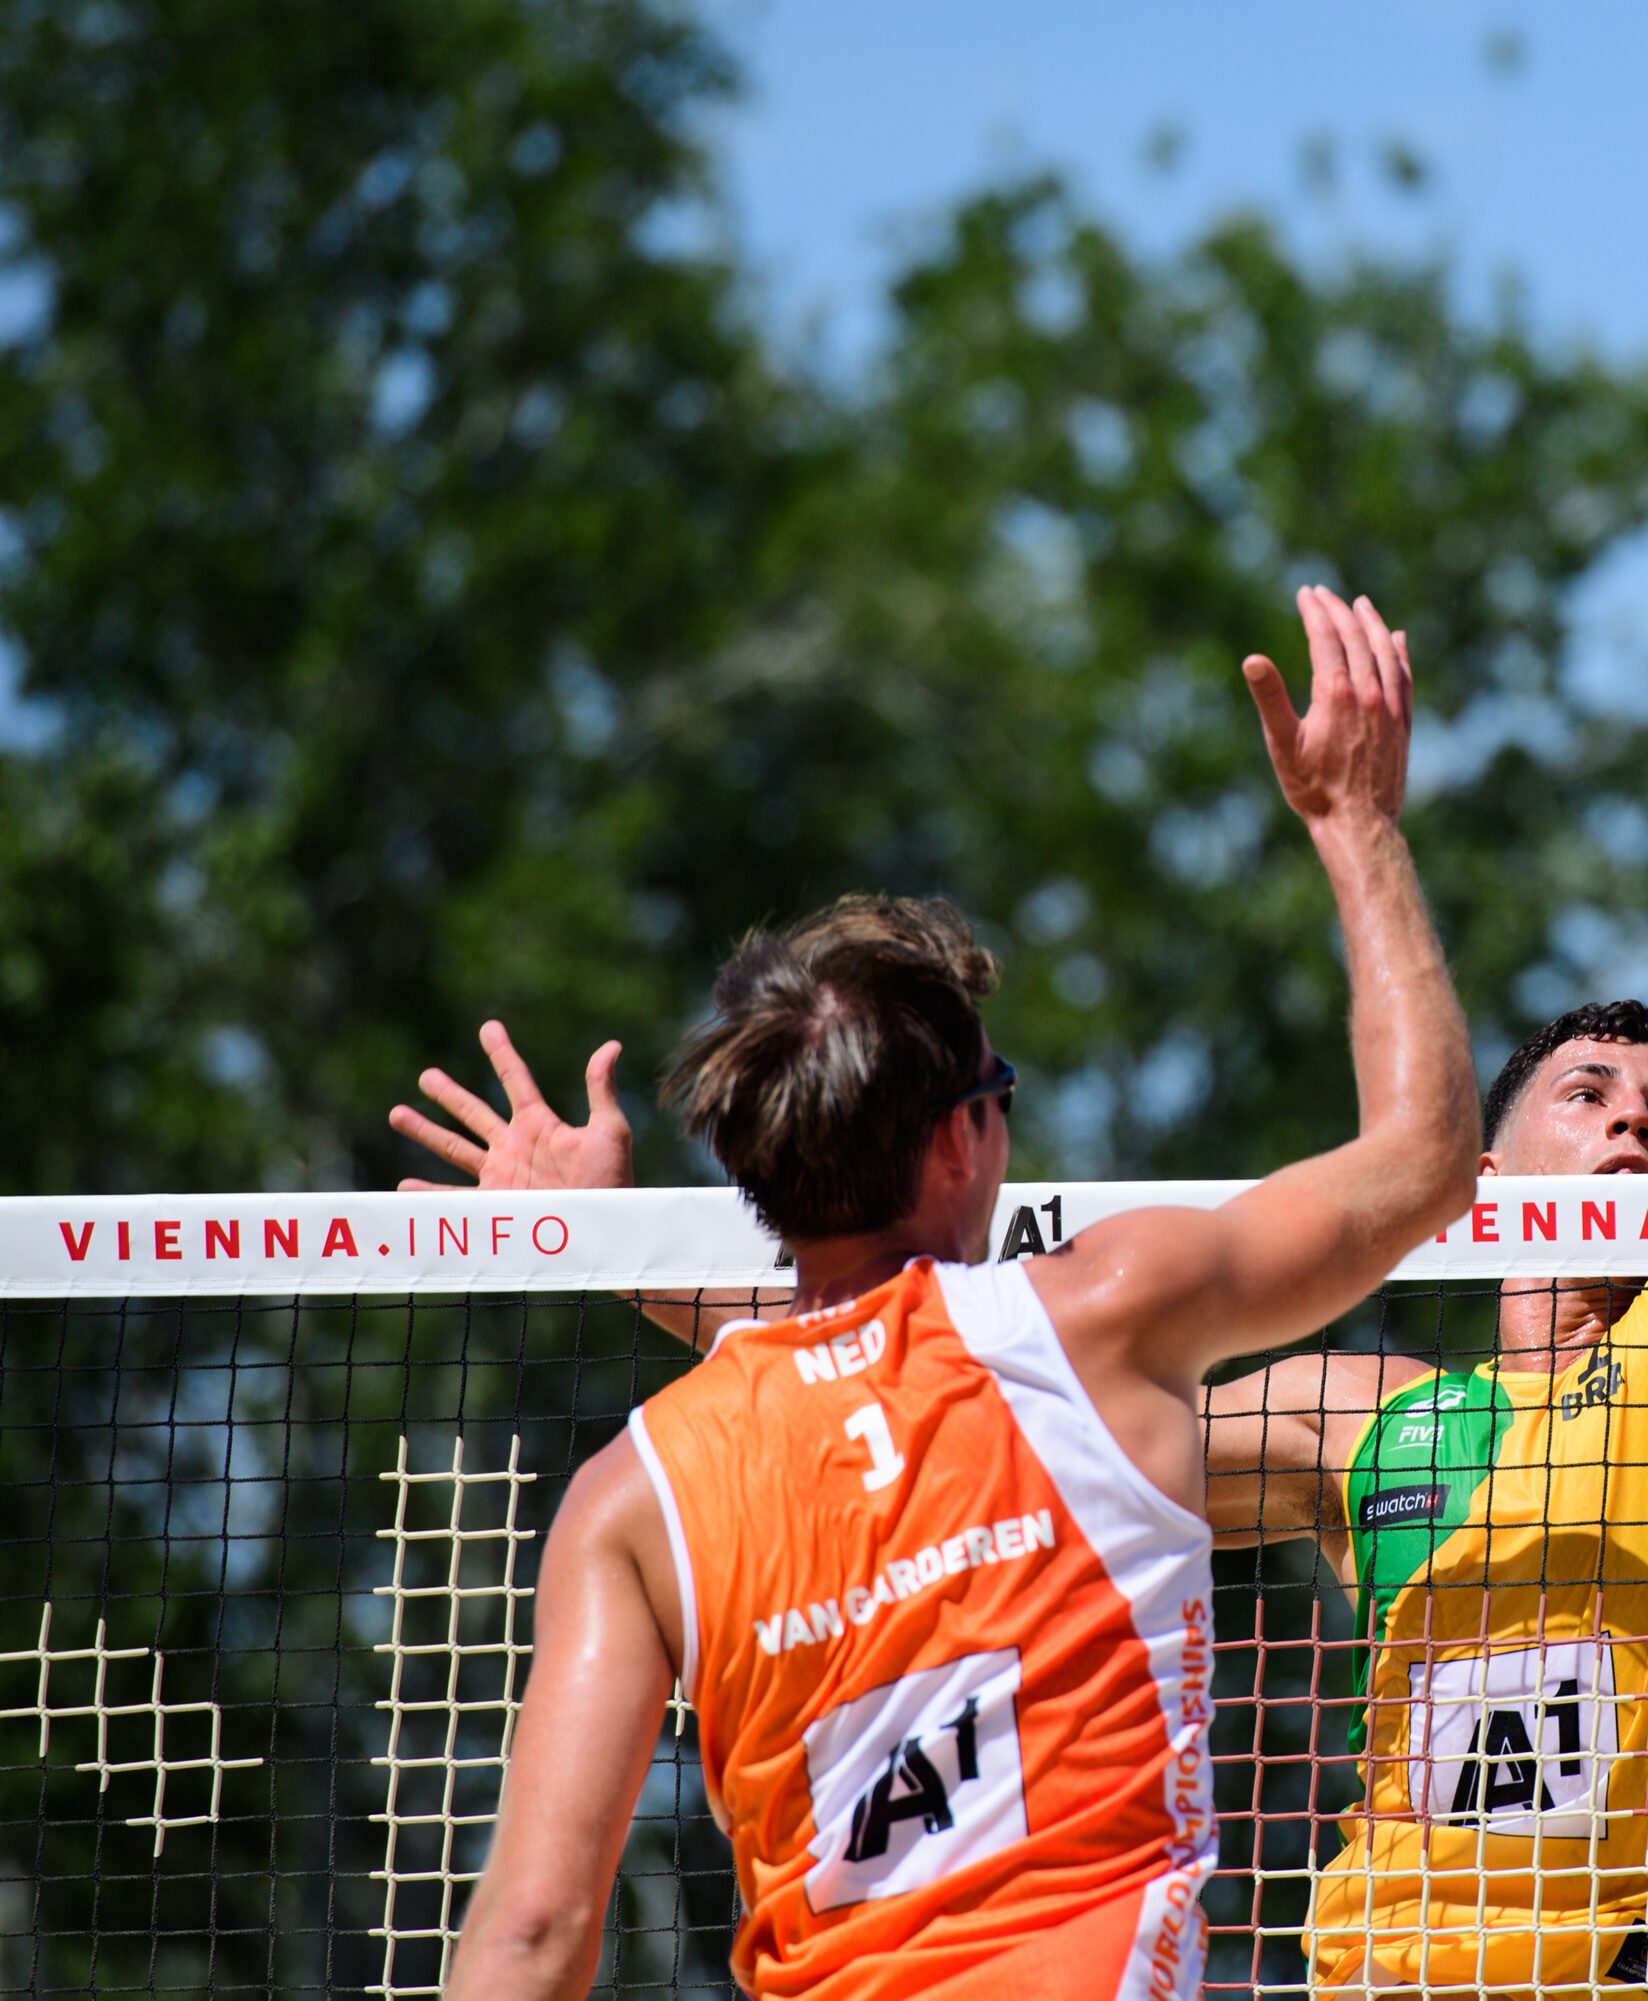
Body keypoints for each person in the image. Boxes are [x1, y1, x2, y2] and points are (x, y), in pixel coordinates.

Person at [418, 588, 1478, 2001]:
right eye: (1001, 1090)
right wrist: (1356, 822)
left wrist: (608, 1242)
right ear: (958, 1142)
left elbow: (533, 1933)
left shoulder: (633, 1496)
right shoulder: (1102, 1316)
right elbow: (1423, 1158)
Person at [1199, 359, 1648, 2000]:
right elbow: (982, 1402)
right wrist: (600, 1248)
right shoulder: (1367, 1420)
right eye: (1591, 1093)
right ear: (1485, 1177)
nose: (1641, 1122)